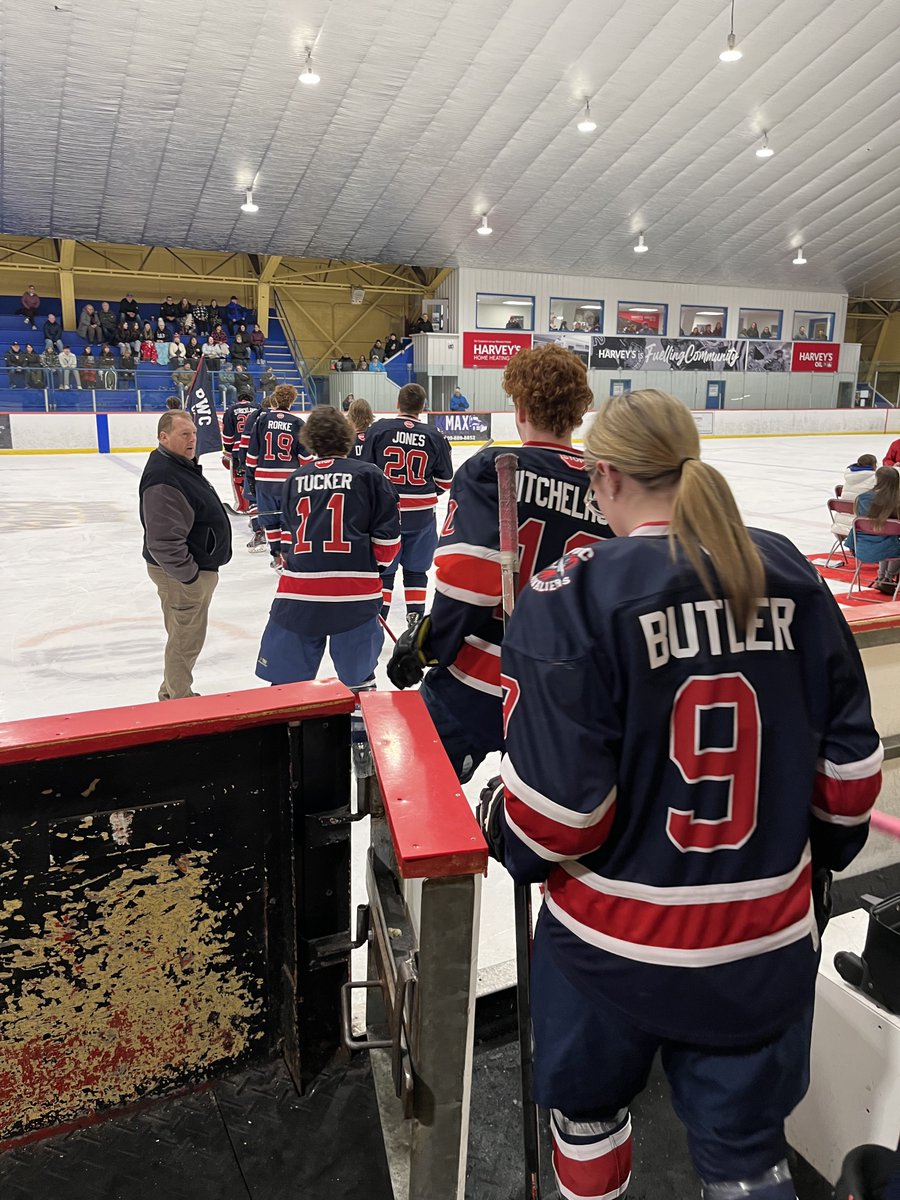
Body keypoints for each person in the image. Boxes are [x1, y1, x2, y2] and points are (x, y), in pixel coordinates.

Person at [475, 387, 882, 1200]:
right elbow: (849, 780)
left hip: (608, 954)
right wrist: (816, 859)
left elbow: (558, 820)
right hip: (762, 946)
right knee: (746, 1158)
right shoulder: (788, 569)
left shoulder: (571, 593)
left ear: (608, 479)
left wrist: (497, 818)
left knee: (586, 1120)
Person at [387, 343, 612, 782]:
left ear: (521, 405)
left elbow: (469, 582)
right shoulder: (608, 484)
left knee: (421, 806)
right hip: (561, 697)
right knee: (536, 827)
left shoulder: (494, 467)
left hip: (477, 680)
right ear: (579, 412)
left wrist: (432, 644)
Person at [255, 407, 400, 768]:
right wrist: (373, 571)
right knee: (359, 680)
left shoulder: (294, 479)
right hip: (354, 597)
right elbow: (388, 539)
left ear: (310, 441)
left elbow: (287, 540)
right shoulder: (369, 475)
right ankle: (361, 747)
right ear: (347, 438)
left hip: (297, 596)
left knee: (286, 685)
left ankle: (283, 752)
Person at [139, 410, 232, 701]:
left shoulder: (179, 465)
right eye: (184, 434)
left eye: (193, 433)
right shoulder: (165, 476)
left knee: (184, 635)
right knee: (185, 639)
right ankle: (179, 700)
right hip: (180, 573)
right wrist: (190, 577)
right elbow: (163, 540)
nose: (192, 439)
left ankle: (171, 691)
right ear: (163, 437)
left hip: (188, 570)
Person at [360, 382, 452, 622]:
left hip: (385, 514)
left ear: (398, 404)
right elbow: (445, 482)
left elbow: (365, 474)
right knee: (416, 571)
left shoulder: (378, 430)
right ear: (423, 407)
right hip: (421, 516)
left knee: (385, 572)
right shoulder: (434, 435)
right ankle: (414, 622)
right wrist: (421, 493)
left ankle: (379, 621)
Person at [245, 384, 308, 568]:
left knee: (270, 521)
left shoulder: (263, 421)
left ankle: (276, 556)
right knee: (287, 520)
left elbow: (252, 454)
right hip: (289, 481)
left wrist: (250, 477)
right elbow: (305, 458)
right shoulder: (298, 423)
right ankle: (287, 556)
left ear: (275, 398)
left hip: (265, 480)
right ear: (292, 400)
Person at [849, 466, 900, 595]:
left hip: (863, 547)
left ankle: (882, 576)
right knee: (888, 538)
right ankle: (888, 578)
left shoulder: (862, 498)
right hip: (888, 547)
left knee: (883, 536)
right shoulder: (896, 500)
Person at [222, 388, 260, 513]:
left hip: (238, 450)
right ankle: (256, 504)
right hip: (256, 449)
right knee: (256, 477)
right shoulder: (258, 408)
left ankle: (243, 506)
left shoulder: (231, 410)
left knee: (238, 478)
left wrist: (228, 452)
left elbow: (228, 434)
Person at [831, 453, 878, 540]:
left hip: (840, 525)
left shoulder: (849, 478)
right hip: (861, 526)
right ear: (874, 465)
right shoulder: (874, 479)